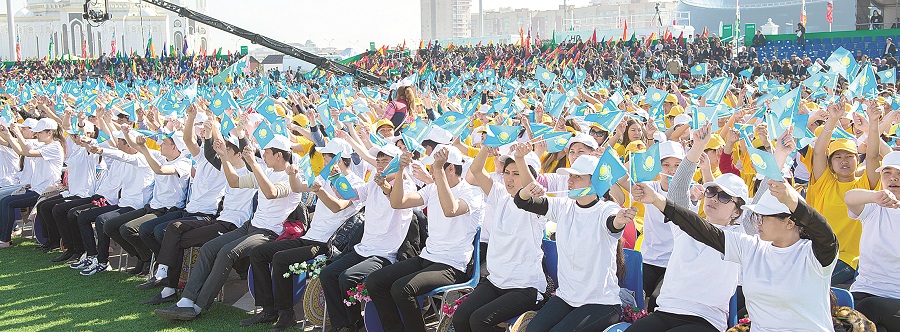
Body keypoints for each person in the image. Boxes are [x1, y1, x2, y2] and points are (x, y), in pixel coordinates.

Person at [153, 135, 302, 321]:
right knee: (209, 248)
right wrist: (223, 156)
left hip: (269, 232)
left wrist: (253, 165)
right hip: (251, 226)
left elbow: (271, 193)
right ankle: (186, 301)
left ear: (279, 155)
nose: (262, 155)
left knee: (226, 252)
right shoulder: (268, 172)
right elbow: (234, 182)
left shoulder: (292, 177)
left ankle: (198, 307)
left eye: (266, 152)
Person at [242, 138, 364, 331]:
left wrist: (321, 190)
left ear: (339, 160)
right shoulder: (325, 177)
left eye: (327, 159)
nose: (324, 162)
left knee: (281, 258)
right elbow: (298, 187)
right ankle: (268, 309)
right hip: (310, 237)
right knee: (260, 253)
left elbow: (336, 206)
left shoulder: (356, 183)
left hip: (328, 244)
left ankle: (286, 313)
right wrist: (292, 175)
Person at [513, 154, 637, 332]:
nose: (570, 181)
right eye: (570, 176)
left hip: (601, 303)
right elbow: (522, 201)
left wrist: (619, 220)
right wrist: (528, 189)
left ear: (595, 182)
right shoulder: (563, 206)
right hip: (566, 297)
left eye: (577, 177)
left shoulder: (607, 209)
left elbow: (613, 223)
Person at [368, 145, 484, 332]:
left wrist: (437, 171)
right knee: (375, 281)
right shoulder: (432, 189)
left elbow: (451, 210)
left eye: (435, 167)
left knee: (402, 289)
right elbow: (398, 202)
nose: (431, 170)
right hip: (428, 257)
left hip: (451, 265)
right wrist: (398, 172)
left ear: (451, 168)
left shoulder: (472, 192)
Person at [139, 135, 255, 305]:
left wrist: (238, 133)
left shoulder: (250, 173)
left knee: (180, 238)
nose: (223, 151)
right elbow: (210, 153)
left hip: (232, 225)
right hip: (219, 220)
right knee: (175, 229)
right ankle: (164, 277)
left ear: (239, 154)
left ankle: (172, 289)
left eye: (228, 149)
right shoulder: (227, 169)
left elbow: (236, 167)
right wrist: (212, 136)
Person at [316, 143, 414, 332]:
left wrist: (385, 185)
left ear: (396, 164)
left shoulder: (406, 185)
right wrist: (336, 176)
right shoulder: (374, 182)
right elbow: (350, 195)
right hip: (365, 247)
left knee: (347, 277)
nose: (379, 163)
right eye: (378, 160)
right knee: (328, 274)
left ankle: (352, 323)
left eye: (385, 160)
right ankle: (341, 325)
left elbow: (396, 201)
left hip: (386, 254)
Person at [452, 143, 546, 332]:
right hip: (496, 280)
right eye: (507, 172)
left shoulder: (538, 204)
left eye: (516, 173)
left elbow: (530, 188)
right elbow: (476, 170)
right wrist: (485, 150)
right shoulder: (500, 194)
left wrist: (520, 158)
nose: (509, 178)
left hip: (524, 286)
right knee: (461, 317)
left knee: (480, 320)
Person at [99, 127, 192, 275]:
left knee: (131, 229)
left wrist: (143, 148)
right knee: (110, 226)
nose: (160, 144)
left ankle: (153, 260)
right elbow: (136, 147)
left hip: (169, 210)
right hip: (153, 206)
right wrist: (127, 133)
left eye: (165, 143)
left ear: (174, 147)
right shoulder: (162, 157)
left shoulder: (184, 163)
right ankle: (144, 257)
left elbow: (160, 170)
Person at [808, 100, 882, 285]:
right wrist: (832, 119)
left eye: (849, 156)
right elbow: (818, 154)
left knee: (813, 284)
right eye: (838, 157)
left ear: (858, 160)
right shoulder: (824, 183)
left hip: (848, 259)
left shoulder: (867, 183)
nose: (844, 161)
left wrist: (874, 123)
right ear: (830, 164)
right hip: (816, 253)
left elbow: (873, 156)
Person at [0, 118, 64, 249]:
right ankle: (4, 237)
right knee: (5, 201)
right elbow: (20, 151)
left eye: (39, 132)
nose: (37, 134)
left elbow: (27, 153)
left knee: (7, 202)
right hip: (37, 188)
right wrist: (7, 134)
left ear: (50, 133)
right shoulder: (44, 144)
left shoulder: (54, 146)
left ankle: (5, 239)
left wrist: (16, 133)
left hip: (45, 191)